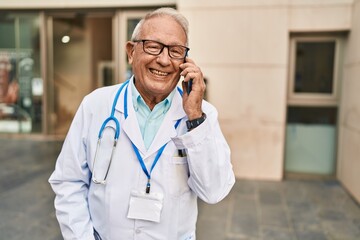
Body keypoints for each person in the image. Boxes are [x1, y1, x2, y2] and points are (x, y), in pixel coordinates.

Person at [49, 7, 235, 240]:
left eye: (176, 51)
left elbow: (214, 191)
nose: (164, 60)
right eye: (153, 46)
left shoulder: (200, 115)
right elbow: (69, 181)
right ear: (131, 52)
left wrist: (195, 118)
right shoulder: (96, 105)